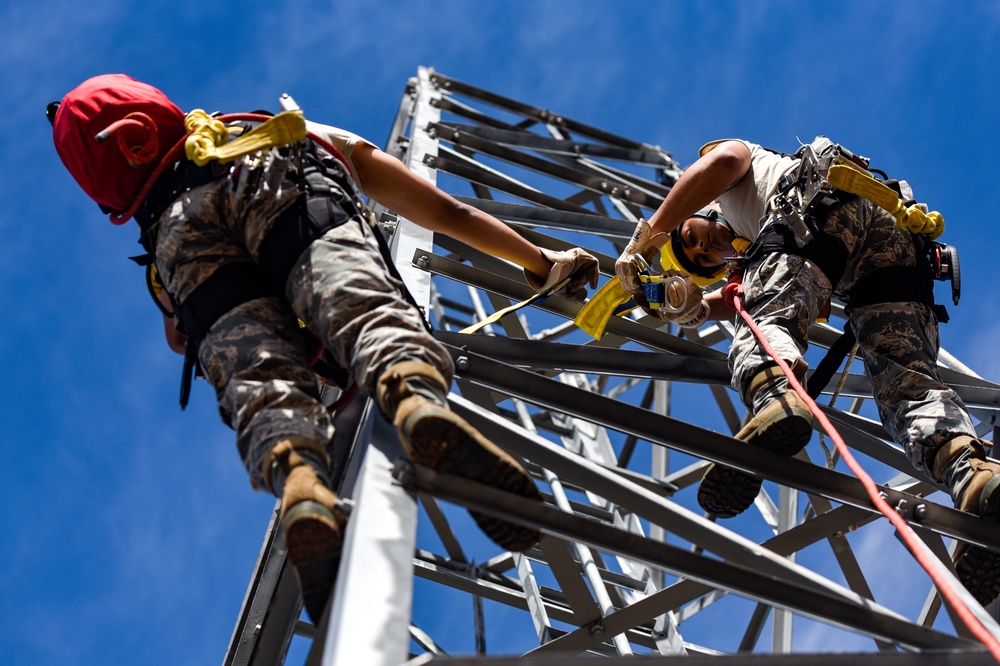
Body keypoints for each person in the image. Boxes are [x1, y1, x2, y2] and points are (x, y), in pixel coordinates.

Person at [50, 74, 600, 623]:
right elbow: (447, 214)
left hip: (181, 238)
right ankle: (415, 401)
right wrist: (538, 259)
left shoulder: (159, 245)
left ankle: (301, 483)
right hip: (270, 176)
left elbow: (185, 338)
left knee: (260, 379)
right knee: (361, 311)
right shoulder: (267, 130)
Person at [614, 136, 1000, 605]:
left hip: (819, 214)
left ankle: (776, 400)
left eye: (692, 235)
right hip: (888, 247)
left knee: (767, 327)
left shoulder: (739, 177)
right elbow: (742, 294)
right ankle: (973, 475)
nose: (703, 246)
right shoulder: (756, 242)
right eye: (701, 259)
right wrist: (688, 310)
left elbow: (723, 163)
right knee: (907, 385)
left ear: (705, 210)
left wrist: (649, 237)